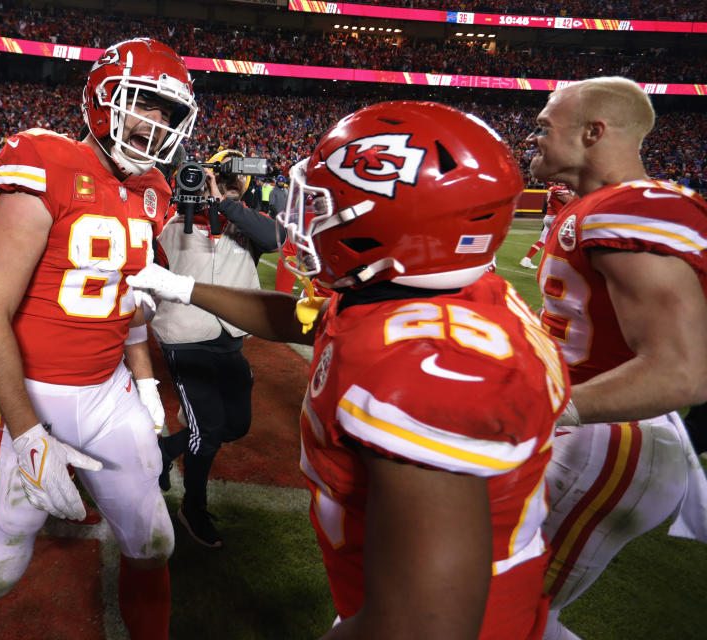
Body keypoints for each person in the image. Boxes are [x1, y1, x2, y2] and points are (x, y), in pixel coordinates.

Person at [130, 100, 569, 640]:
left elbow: (425, 624)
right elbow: (305, 319)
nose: (304, 217)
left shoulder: (429, 368)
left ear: (398, 222)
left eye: (325, 203)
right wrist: (184, 287)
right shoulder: (432, 287)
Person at [0, 37, 198, 640]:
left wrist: (143, 382)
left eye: (167, 113)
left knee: (153, 540)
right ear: (103, 98)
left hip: (108, 390)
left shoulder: (154, 192)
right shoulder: (44, 160)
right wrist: (27, 431)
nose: (154, 123)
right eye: (144, 102)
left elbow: (129, 298)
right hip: (32, 391)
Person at [526, 76, 707, 639]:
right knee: (480, 604)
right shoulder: (596, 207)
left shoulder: (633, 209)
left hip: (608, 440)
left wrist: (540, 412)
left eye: (544, 125)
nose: (533, 136)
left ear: (593, 131)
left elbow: (680, 371)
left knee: (503, 612)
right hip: (590, 432)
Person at [152, 149, 284, 548]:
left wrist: (227, 202)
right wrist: (192, 197)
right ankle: (193, 508)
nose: (226, 181)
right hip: (185, 339)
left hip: (230, 338)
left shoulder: (245, 224)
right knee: (206, 432)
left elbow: (275, 239)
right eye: (219, 175)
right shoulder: (176, 221)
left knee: (237, 424)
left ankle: (164, 451)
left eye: (232, 177)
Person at [519, 182, 573, 269]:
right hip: (557, 218)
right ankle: (556, 265)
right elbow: (570, 201)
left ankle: (527, 259)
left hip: (548, 217)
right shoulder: (560, 189)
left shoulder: (552, 188)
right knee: (563, 242)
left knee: (542, 240)